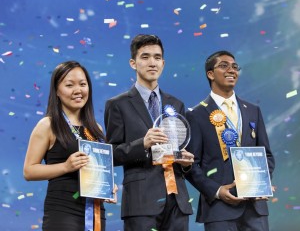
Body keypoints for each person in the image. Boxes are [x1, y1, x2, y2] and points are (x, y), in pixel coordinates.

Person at [104, 34, 194, 231]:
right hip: (141, 202)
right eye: (145, 57)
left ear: (163, 63)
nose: (152, 63)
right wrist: (142, 144)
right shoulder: (118, 105)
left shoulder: (176, 104)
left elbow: (181, 147)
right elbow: (111, 154)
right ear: (133, 63)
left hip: (178, 201)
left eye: (157, 57)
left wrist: (186, 162)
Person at [185, 50, 276, 231]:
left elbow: (267, 155)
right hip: (219, 210)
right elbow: (190, 165)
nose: (231, 70)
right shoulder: (196, 115)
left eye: (235, 67)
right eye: (224, 66)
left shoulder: (253, 110)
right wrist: (217, 191)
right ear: (210, 74)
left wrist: (262, 182)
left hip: (255, 209)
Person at [23, 61, 117, 231]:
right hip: (62, 212)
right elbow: (29, 171)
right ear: (57, 91)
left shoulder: (96, 128)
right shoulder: (48, 125)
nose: (78, 90)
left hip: (95, 212)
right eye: (69, 85)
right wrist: (66, 166)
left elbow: (97, 169)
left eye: (82, 84)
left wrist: (107, 186)